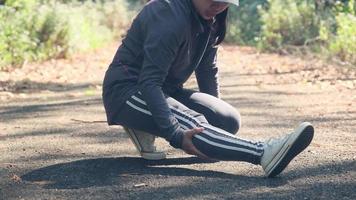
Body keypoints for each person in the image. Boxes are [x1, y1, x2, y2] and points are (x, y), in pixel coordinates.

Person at [102, 0, 314, 178]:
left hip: (166, 89)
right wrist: (175, 134)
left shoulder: (209, 16)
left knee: (227, 120)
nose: (218, 5)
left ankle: (146, 125)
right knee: (194, 126)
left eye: (225, 1)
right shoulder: (168, 14)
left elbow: (207, 68)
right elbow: (149, 82)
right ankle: (262, 153)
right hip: (128, 91)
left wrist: (214, 121)